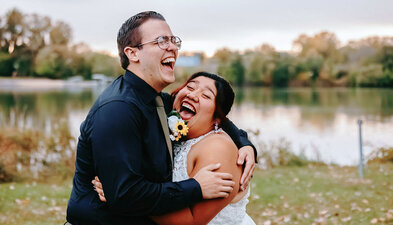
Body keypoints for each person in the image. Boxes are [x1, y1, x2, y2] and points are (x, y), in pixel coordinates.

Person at [66, 11, 256, 225]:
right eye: (161, 40)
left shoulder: (156, 100)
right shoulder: (118, 110)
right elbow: (125, 195)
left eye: (173, 40)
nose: (173, 47)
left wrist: (244, 142)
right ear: (133, 53)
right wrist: (196, 187)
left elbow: (214, 115)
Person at [94, 72, 256, 224]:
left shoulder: (218, 149)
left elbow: (192, 221)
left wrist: (126, 197)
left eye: (206, 95)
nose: (192, 95)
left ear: (218, 118)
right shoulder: (167, 122)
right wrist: (121, 185)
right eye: (190, 87)